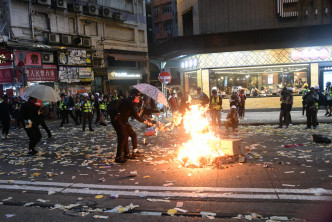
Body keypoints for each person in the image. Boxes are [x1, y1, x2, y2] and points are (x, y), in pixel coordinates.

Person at [111, 88, 154, 163]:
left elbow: (131, 113)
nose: (138, 99)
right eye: (138, 97)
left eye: (139, 97)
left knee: (133, 134)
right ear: (134, 96)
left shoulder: (131, 103)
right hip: (117, 120)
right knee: (123, 137)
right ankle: (118, 157)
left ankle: (131, 153)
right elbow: (135, 115)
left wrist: (137, 113)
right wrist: (145, 121)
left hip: (124, 121)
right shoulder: (129, 102)